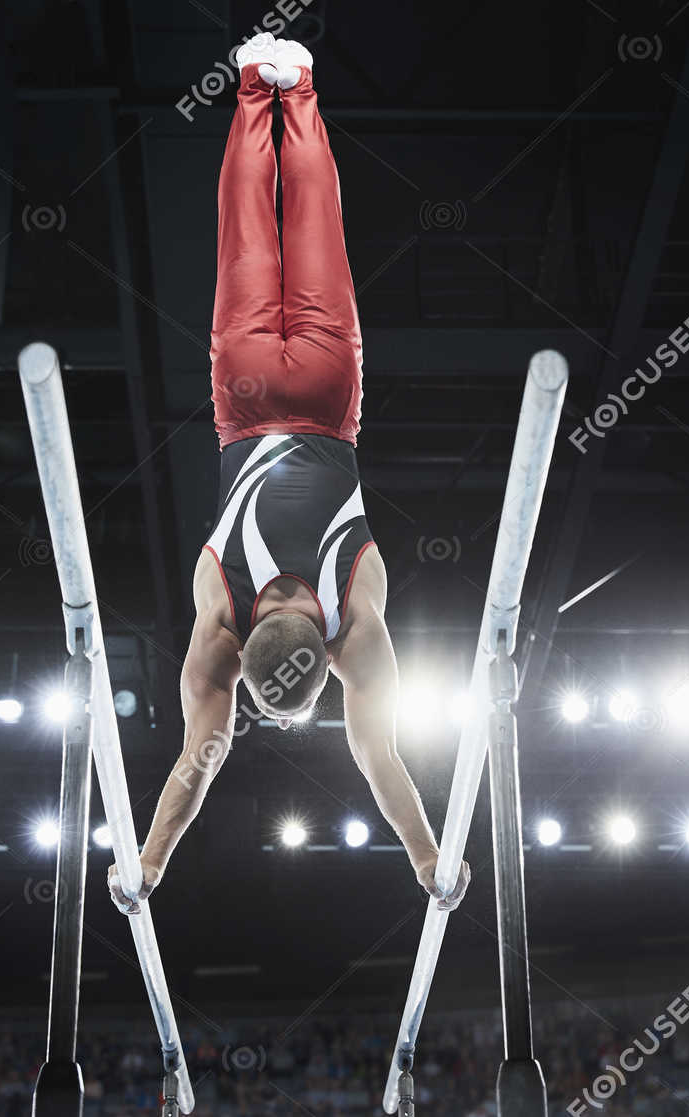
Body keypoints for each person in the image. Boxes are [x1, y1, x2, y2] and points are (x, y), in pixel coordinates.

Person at [109, 33, 468, 916]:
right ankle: (252, 85)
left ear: (329, 661)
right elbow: (201, 762)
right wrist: (143, 863)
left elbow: (381, 760)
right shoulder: (217, 622)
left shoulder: (360, 622)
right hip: (241, 396)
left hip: (330, 393)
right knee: (246, 235)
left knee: (312, 223)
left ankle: (295, 83)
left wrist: (433, 862)